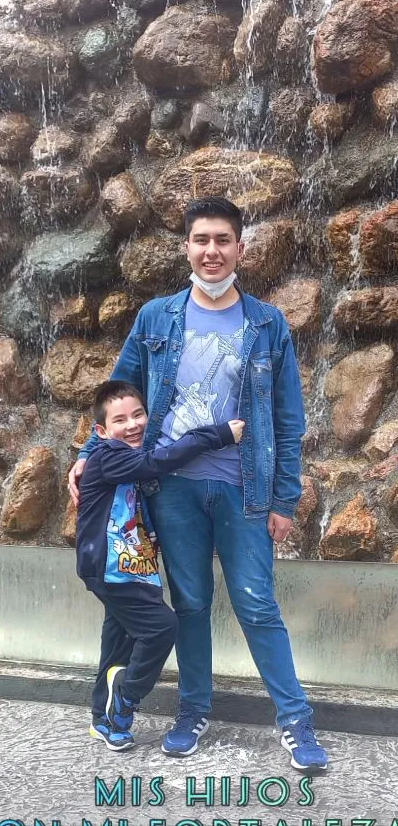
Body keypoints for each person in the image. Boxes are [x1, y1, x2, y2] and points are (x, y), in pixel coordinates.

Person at [70, 196, 328, 772]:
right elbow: (119, 391)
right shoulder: (156, 317)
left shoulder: (267, 323)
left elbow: (288, 420)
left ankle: (295, 722)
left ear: (240, 247)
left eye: (222, 240)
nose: (211, 251)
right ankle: (192, 711)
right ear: (186, 246)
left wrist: (284, 498)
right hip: (173, 490)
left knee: (257, 604)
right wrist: (89, 454)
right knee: (189, 604)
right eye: (201, 240)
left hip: (244, 491)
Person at [76, 378, 244, 751]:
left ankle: (103, 720)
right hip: (109, 567)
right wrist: (216, 435)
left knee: (118, 641)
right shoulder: (108, 456)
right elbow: (156, 462)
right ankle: (127, 695)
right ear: (102, 431)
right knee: (162, 627)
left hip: (127, 566)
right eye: (120, 420)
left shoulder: (118, 454)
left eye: (139, 414)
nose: (133, 424)